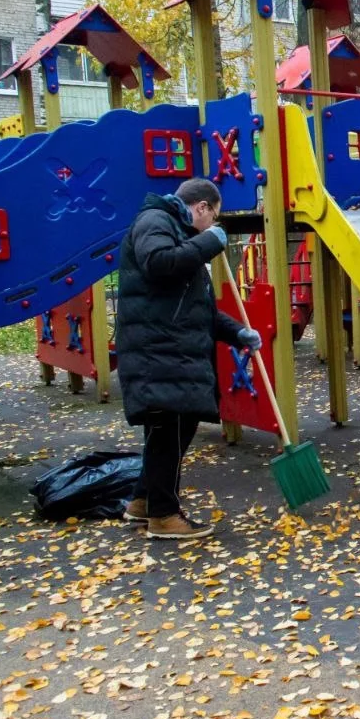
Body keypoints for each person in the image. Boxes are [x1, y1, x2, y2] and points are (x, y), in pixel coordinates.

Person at [116, 179, 261, 539]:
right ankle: (164, 515)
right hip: (158, 348)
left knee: (176, 425)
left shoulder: (175, 230)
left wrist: (237, 332)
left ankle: (144, 501)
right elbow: (158, 263)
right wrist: (207, 244)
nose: (213, 224)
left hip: (167, 346)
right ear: (201, 207)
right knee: (169, 426)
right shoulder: (155, 221)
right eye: (214, 216)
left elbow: (197, 309)